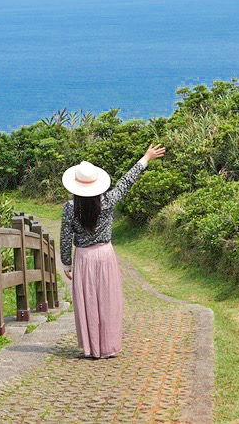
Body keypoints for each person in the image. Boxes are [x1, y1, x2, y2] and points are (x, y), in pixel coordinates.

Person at [60, 143, 166, 358]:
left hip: (83, 256)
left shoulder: (70, 208)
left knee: (87, 300)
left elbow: (65, 237)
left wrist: (66, 262)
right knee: (108, 300)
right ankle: (107, 346)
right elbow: (126, 182)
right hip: (105, 254)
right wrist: (145, 158)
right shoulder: (107, 201)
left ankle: (92, 348)